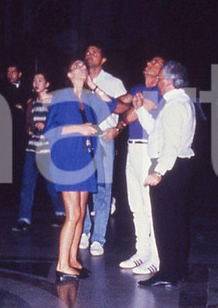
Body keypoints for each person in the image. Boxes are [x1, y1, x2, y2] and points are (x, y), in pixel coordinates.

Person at [43, 60, 112, 281]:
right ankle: (62, 265)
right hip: (67, 159)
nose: (82, 67)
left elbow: (111, 104)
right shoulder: (62, 98)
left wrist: (93, 86)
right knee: (72, 214)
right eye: (76, 66)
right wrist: (80, 128)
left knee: (81, 213)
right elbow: (50, 131)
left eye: (84, 66)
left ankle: (73, 260)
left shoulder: (89, 99)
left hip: (84, 160)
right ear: (69, 74)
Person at [133, 60, 196, 288]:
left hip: (169, 167)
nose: (157, 82)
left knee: (165, 222)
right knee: (176, 220)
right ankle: (178, 269)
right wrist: (140, 109)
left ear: (168, 81)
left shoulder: (174, 106)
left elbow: (170, 145)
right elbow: (156, 132)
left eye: (159, 78)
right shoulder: (177, 102)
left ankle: (168, 272)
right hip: (178, 166)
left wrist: (158, 172)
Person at [104, 56, 164, 276]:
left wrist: (117, 127)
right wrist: (98, 95)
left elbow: (130, 114)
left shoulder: (158, 91)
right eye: (149, 61)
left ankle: (156, 257)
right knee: (135, 204)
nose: (148, 63)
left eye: (155, 63)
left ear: (161, 72)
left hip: (148, 150)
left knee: (149, 206)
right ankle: (142, 252)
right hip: (132, 149)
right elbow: (120, 101)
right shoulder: (138, 87)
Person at [80, 43, 127, 256]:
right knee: (82, 186)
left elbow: (126, 108)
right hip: (82, 138)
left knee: (103, 187)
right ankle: (85, 230)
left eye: (95, 52)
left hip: (104, 137)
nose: (90, 55)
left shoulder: (114, 82)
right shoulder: (78, 79)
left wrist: (118, 128)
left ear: (103, 59)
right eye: (87, 52)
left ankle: (99, 237)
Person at [13, 71, 65, 232]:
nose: (37, 83)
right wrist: (30, 129)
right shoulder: (32, 103)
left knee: (52, 184)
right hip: (33, 148)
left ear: (47, 84)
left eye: (40, 80)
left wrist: (46, 125)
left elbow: (60, 123)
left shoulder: (55, 102)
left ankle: (61, 212)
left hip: (49, 149)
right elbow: (28, 123)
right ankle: (24, 218)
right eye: (35, 80)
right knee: (27, 184)